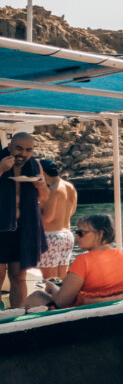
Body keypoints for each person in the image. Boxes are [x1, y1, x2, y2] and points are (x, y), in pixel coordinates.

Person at [24, 214, 123, 310]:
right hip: (116, 309)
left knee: (36, 295)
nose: (76, 236)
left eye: (81, 233)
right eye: (76, 232)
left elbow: (61, 301)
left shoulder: (83, 261)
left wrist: (52, 288)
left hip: (85, 314)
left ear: (100, 234)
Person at [0, 132, 49, 307]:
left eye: (28, 150)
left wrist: (41, 185)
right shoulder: (1, 161)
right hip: (1, 227)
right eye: (19, 148)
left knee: (19, 277)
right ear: (10, 146)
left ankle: (17, 313)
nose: (23, 153)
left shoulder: (34, 165)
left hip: (24, 228)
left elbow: (43, 197)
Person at [38, 158, 78, 280]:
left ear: (43, 173)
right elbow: (72, 212)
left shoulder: (53, 189)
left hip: (50, 237)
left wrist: (36, 207)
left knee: (49, 280)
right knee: (61, 279)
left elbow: (48, 218)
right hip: (67, 236)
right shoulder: (69, 186)